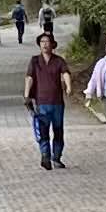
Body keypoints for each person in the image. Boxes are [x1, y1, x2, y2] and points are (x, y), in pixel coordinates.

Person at [23, 27, 71, 169]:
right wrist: (26, 95)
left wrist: (68, 86)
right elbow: (29, 77)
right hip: (41, 101)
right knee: (43, 130)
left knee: (58, 130)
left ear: (52, 44)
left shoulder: (58, 61)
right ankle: (45, 155)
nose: (44, 44)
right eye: (42, 42)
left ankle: (56, 157)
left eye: (47, 41)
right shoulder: (35, 61)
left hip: (57, 102)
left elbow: (66, 72)